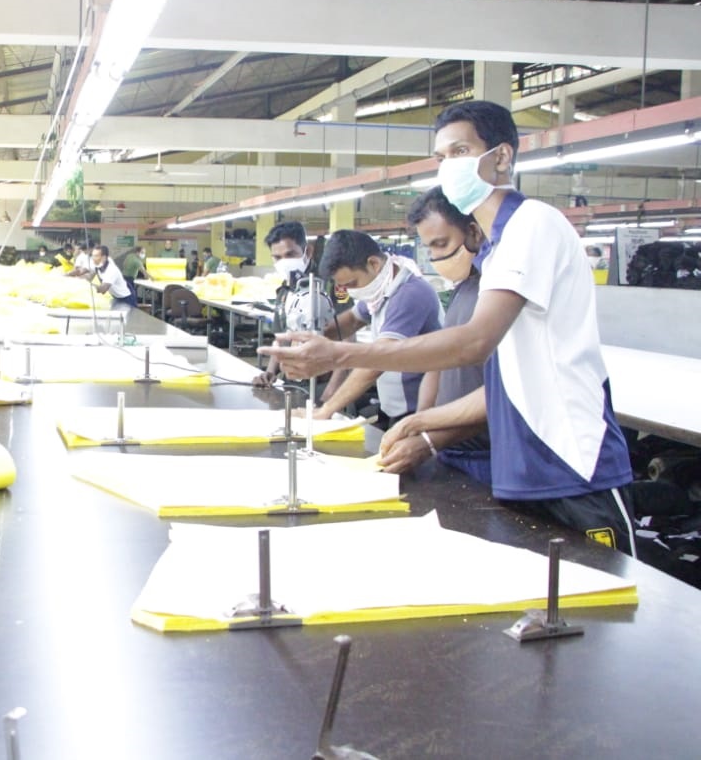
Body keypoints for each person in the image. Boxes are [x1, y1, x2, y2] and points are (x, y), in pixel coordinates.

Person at [266, 100, 637, 555]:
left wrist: (339, 353)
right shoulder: (495, 255)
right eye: (441, 158)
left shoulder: (532, 223)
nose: (447, 167)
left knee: (605, 615)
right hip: (521, 468)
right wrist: (425, 424)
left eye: (460, 152)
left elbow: (473, 344)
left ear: (500, 157)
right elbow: (507, 383)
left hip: (576, 466)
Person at [377, 188, 491, 484]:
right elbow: (439, 367)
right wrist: (422, 425)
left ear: (474, 233)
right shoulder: (462, 288)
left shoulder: (496, 297)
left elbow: (499, 394)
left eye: (441, 244)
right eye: (429, 248)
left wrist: (427, 434)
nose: (436, 257)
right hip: (449, 449)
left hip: (487, 454)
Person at [303, 230, 442, 427]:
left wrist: (327, 409)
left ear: (374, 264)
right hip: (393, 408)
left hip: (418, 411)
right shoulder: (381, 290)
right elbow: (352, 319)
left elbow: (377, 361)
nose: (351, 291)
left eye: (352, 283)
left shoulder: (408, 294)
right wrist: (316, 335)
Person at [252, 221, 352, 389]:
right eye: (277, 257)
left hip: (324, 381)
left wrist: (328, 397)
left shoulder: (331, 285)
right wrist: (269, 373)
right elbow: (282, 338)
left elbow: (348, 342)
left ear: (308, 251)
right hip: (294, 378)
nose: (284, 262)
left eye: (290, 254)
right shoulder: (284, 291)